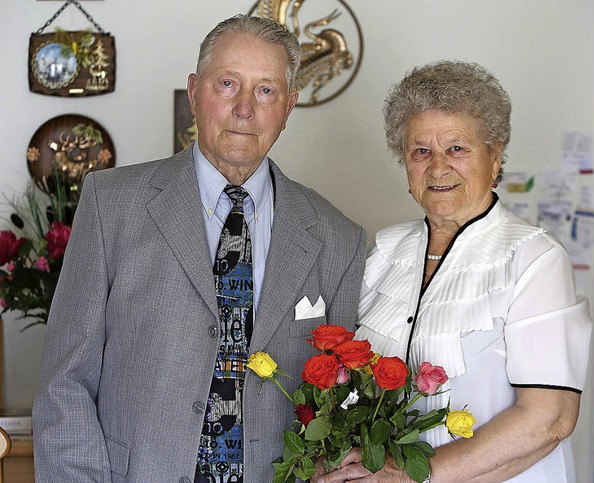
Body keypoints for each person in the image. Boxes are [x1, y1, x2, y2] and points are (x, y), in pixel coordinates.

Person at [33, 14, 366, 483]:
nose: (245, 108)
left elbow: (342, 403)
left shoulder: (338, 238)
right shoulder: (113, 203)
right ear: (194, 92)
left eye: (266, 90)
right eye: (227, 84)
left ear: (289, 107)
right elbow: (65, 383)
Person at [316, 61, 592, 482]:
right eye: (420, 151)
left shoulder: (534, 259)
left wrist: (411, 477)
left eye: (457, 148)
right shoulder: (385, 252)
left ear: (495, 157)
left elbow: (548, 419)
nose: (438, 166)